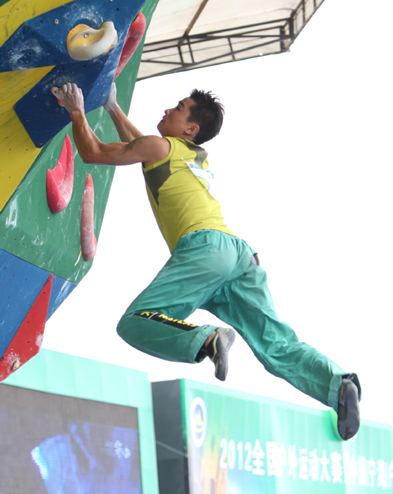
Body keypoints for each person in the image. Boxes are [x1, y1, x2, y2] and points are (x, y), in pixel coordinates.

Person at [51, 81, 361, 441]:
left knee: (135, 322)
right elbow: (140, 146)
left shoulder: (160, 147)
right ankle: (338, 385)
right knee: (276, 345)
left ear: (191, 128)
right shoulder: (191, 154)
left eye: (178, 108)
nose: (167, 110)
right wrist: (113, 108)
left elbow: (94, 151)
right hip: (240, 256)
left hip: (206, 250)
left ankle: (207, 339)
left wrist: (77, 110)